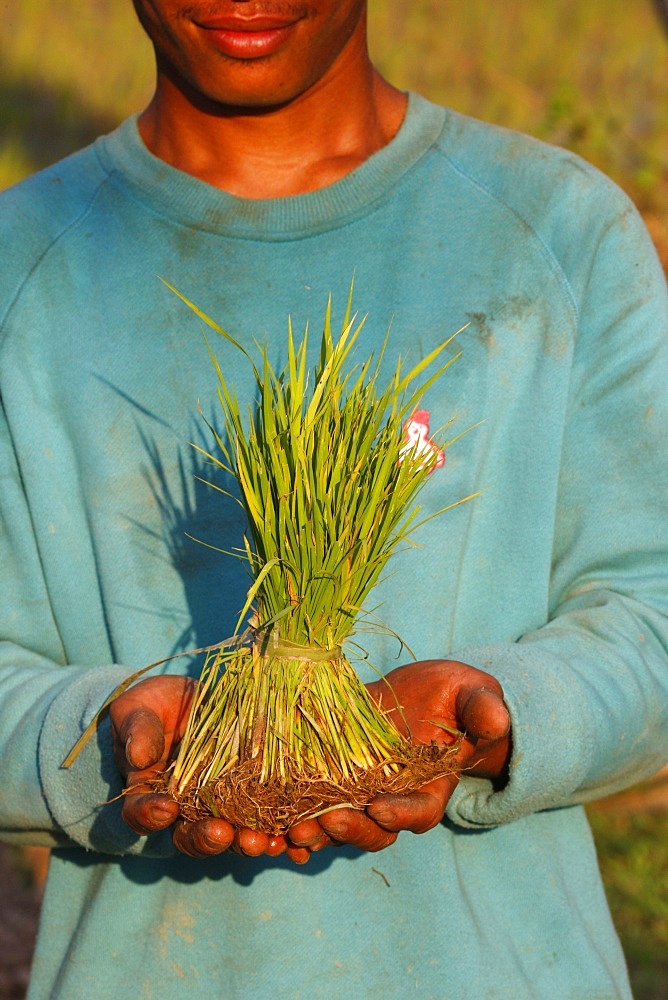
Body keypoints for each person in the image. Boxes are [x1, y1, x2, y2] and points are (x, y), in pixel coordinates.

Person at [1, 2, 667, 997]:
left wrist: (505, 713)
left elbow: (650, 613)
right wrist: (99, 733)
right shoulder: (24, 269)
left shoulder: (558, 231)